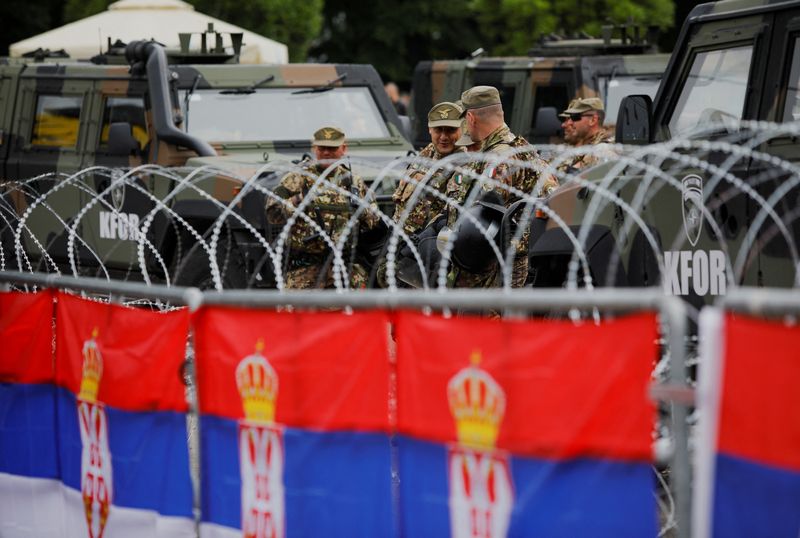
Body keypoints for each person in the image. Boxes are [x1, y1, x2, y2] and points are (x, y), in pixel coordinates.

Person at [440, 85, 558, 288]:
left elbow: (480, 218)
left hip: (492, 269)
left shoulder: (498, 158)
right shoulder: (521, 149)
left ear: (471, 118)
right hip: (514, 262)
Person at [266, 126, 380, 289]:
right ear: (314, 149)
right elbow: (272, 213)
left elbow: (374, 220)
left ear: (343, 149)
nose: (326, 153)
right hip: (305, 271)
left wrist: (361, 209)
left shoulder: (353, 182)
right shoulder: (298, 178)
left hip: (345, 270)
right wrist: (299, 200)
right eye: (322, 148)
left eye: (332, 148)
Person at [378, 101, 466, 287]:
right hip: (402, 250)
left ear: (462, 129)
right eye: (438, 130)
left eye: (450, 130)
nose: (444, 137)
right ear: (429, 129)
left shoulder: (466, 166)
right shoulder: (424, 157)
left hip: (431, 257)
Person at [557, 97, 616, 172]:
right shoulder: (587, 148)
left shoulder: (602, 150)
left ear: (593, 120)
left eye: (575, 117)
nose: (570, 122)